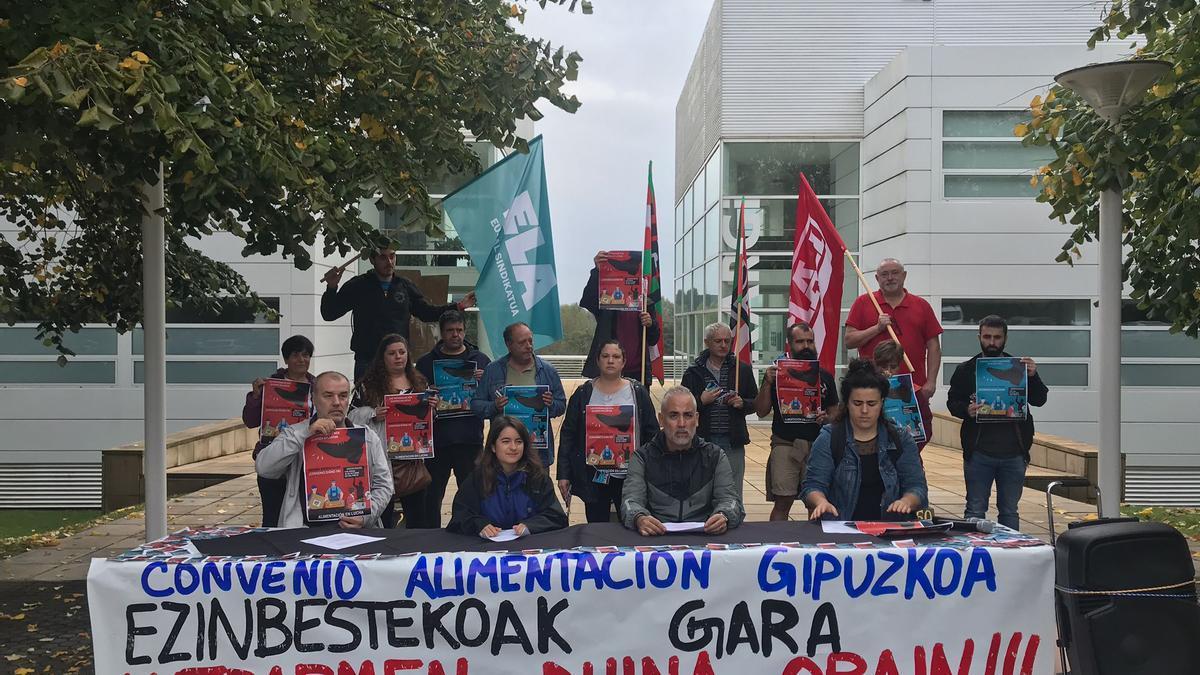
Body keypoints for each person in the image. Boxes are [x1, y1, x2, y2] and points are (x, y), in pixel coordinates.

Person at [946, 315, 1049, 530]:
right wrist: (967, 409)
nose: (992, 342)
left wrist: (1033, 376)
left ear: (1005, 338)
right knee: (975, 509)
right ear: (979, 337)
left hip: (1014, 452)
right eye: (987, 337)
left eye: (997, 337)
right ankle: (974, 555)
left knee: (1009, 511)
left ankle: (1012, 553)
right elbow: (952, 402)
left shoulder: (1019, 369)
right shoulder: (966, 369)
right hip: (979, 452)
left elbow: (1040, 399)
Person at [255, 371, 393, 529]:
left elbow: (384, 485)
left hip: (356, 531)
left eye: (343, 396)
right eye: (328, 396)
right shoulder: (295, 433)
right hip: (304, 532)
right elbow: (264, 467)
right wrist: (305, 434)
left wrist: (365, 517)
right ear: (314, 399)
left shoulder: (367, 436)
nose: (336, 402)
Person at [320, 246, 477, 380]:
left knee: (398, 406)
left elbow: (427, 313)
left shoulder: (404, 286)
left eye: (392, 256)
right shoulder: (358, 286)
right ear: (372, 259)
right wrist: (332, 288)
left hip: (398, 359)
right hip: (368, 360)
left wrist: (459, 306)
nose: (389, 262)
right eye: (383, 257)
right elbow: (329, 313)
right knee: (367, 408)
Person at [802, 359, 928, 521]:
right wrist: (821, 501)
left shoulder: (900, 438)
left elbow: (916, 485)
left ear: (882, 403)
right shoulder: (829, 437)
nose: (864, 410)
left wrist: (906, 501)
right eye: (857, 403)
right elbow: (813, 485)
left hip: (889, 529)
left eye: (871, 403)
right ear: (846, 403)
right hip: (842, 528)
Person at [557, 340, 660, 522]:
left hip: (630, 476)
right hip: (595, 475)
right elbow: (568, 435)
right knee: (597, 528)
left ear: (623, 361)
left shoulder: (637, 392)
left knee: (631, 525)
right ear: (597, 361)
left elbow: (652, 433)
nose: (610, 360)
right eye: (605, 356)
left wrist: (651, 469)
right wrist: (564, 474)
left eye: (616, 356)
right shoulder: (583, 394)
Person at [621, 386, 744, 536]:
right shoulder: (642, 458)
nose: (681, 424)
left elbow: (731, 501)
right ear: (661, 420)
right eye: (673, 416)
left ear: (697, 419)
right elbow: (630, 501)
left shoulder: (715, 456)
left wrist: (724, 515)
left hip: (704, 538)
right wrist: (639, 518)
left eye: (688, 415)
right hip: (656, 538)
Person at [844, 258, 942, 440]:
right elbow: (849, 340)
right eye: (884, 274)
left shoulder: (921, 306)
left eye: (895, 273)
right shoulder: (863, 303)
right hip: (872, 390)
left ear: (904, 276)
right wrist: (877, 328)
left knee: (915, 440)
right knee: (872, 441)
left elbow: (934, 346)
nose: (890, 278)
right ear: (877, 278)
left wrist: (931, 382)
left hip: (911, 389)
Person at [753, 323, 839, 521]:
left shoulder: (824, 376)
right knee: (783, 502)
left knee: (815, 501)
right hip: (785, 445)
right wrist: (766, 383)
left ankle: (813, 545)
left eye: (810, 341)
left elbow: (835, 412)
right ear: (789, 344)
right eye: (800, 342)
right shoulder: (776, 375)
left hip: (818, 446)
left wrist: (826, 418)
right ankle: (777, 546)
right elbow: (761, 410)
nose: (806, 346)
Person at [348, 334, 435, 528]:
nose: (398, 357)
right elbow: (349, 419)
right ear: (382, 357)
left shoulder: (420, 382)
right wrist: (372, 413)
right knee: (384, 519)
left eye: (402, 352)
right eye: (392, 353)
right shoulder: (368, 385)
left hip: (412, 463)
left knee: (417, 519)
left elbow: (428, 422)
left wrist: (432, 408)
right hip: (381, 461)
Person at [414, 310, 491, 528]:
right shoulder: (426, 363)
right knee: (431, 496)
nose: (455, 335)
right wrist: (426, 393)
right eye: (450, 331)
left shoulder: (480, 360)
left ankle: (467, 532)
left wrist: (484, 381)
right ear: (441, 333)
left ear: (464, 331)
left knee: (471, 494)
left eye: (459, 330)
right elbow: (416, 400)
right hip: (436, 441)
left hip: (469, 438)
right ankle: (430, 539)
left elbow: (493, 397)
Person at [447, 416, 568, 538]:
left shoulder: (538, 477)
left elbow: (557, 517)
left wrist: (531, 526)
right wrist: (479, 525)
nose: (513, 447)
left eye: (519, 441)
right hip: (488, 550)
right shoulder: (478, 478)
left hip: (528, 549)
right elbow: (459, 517)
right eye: (506, 441)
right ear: (493, 446)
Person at [242, 335, 317, 527]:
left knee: (301, 517)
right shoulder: (270, 386)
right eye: (296, 355)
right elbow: (250, 421)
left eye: (306, 355)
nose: (301, 360)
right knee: (272, 517)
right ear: (286, 359)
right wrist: (256, 396)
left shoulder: (318, 386)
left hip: (305, 461)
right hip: (274, 457)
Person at [472, 322, 567, 468]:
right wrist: (494, 406)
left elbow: (561, 405)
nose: (528, 346)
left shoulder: (548, 371)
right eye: (522, 342)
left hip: (537, 453)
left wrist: (551, 404)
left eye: (530, 340)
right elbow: (476, 405)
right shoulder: (493, 370)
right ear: (508, 344)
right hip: (503, 453)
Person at [681, 322, 758, 501]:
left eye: (727, 341)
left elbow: (756, 402)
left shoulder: (741, 369)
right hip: (702, 441)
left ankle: (733, 522)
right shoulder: (694, 372)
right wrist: (701, 401)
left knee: (732, 491)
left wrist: (743, 403)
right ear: (707, 342)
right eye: (718, 341)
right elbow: (681, 407)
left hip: (732, 441)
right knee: (702, 491)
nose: (723, 345)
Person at [580, 251, 660, 387]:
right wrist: (597, 271)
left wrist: (651, 324)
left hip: (637, 372)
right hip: (608, 372)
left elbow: (653, 339)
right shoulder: (607, 302)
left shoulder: (646, 303)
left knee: (638, 408)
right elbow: (587, 301)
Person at [873, 340, 934, 452]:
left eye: (893, 366)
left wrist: (911, 449)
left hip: (907, 454)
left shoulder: (914, 392)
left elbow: (926, 425)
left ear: (900, 365)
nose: (887, 371)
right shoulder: (866, 390)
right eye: (883, 366)